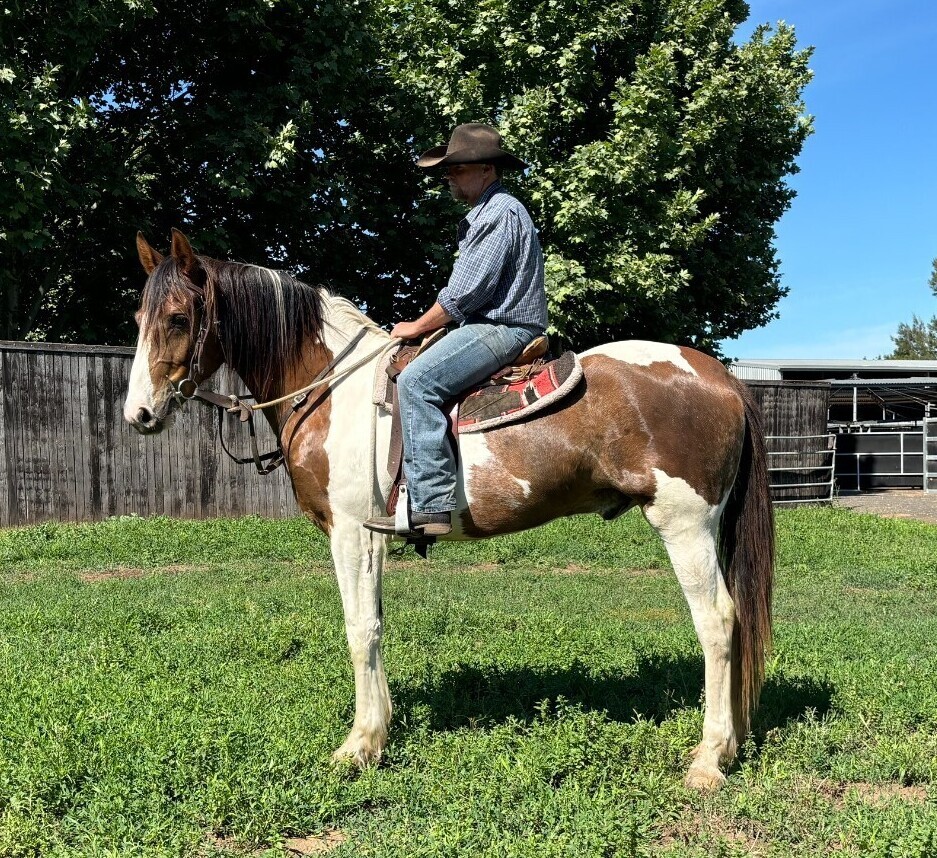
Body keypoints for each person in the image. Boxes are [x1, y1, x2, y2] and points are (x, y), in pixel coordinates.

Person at [364, 122, 548, 537]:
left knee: (416, 382)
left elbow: (465, 294)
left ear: (486, 169)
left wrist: (417, 325)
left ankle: (430, 506)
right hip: (492, 323)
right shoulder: (488, 213)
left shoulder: (499, 213)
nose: (448, 177)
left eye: (458, 168)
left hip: (504, 326)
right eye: (448, 170)